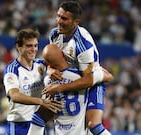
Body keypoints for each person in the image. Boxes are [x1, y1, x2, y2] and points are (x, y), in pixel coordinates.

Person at [44, 1, 113, 135]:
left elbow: (88, 79)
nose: (59, 21)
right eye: (58, 16)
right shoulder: (54, 34)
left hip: (92, 83)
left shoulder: (83, 45)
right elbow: (51, 61)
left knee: (93, 125)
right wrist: (50, 70)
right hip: (70, 82)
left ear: (76, 22)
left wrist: (58, 88)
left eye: (64, 18)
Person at [3, 28, 61, 135]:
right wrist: (41, 102)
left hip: (37, 122)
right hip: (18, 125)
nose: (33, 49)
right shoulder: (12, 70)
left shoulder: (40, 65)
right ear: (18, 47)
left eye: (35, 45)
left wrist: (50, 69)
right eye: (29, 46)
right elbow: (15, 96)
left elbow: (55, 67)